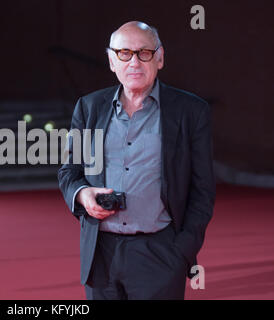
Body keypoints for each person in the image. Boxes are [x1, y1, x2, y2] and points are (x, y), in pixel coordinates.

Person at [58, 21, 216, 300]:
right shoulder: (89, 107)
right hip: (100, 254)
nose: (134, 62)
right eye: (124, 53)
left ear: (160, 58)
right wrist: (83, 195)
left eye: (144, 52)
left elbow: (202, 190)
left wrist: (181, 251)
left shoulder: (191, 111)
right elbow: (70, 172)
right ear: (111, 60)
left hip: (160, 254)